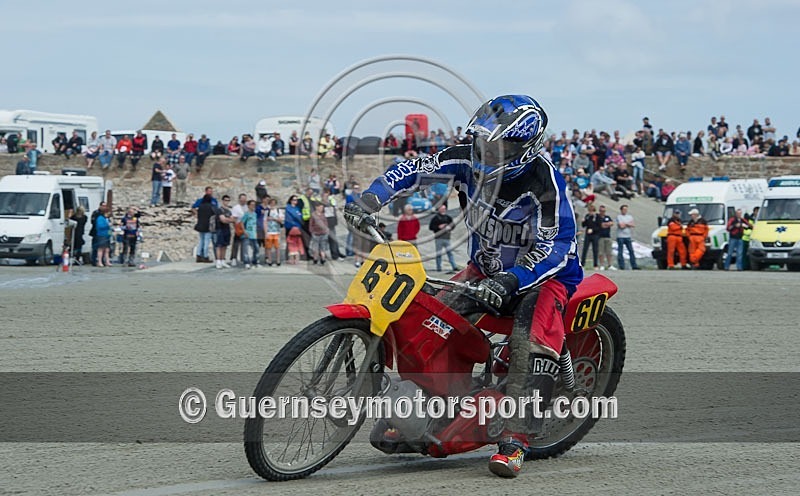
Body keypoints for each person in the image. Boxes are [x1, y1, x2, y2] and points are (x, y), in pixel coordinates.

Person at [344, 95, 582, 478]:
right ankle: (439, 411)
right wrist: (372, 198)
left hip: (542, 278)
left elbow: (557, 246)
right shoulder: (464, 158)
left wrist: (512, 279)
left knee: (531, 343)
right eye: (482, 141)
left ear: (524, 148)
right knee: (430, 324)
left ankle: (515, 440)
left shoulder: (544, 182)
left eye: (498, 146)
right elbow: (414, 169)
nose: (485, 151)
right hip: (482, 270)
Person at [429, 204, 459, 272]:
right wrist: (438, 227)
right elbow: (431, 227)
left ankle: (454, 266)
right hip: (438, 238)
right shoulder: (435, 218)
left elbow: (453, 225)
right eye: (442, 209)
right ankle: (439, 267)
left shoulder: (448, 218)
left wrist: (449, 227)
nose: (443, 210)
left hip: (447, 238)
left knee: (450, 253)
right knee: (439, 254)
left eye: (444, 208)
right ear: (439, 209)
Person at [214, 195, 235, 269]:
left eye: (228, 200)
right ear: (223, 201)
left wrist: (228, 219)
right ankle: (218, 261)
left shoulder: (229, 210)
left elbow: (233, 219)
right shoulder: (219, 210)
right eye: (225, 200)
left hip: (227, 229)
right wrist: (228, 220)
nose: (227, 202)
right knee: (219, 245)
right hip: (220, 229)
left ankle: (223, 260)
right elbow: (223, 220)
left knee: (225, 245)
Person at [194, 194, 216, 263]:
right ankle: (205, 256)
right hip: (208, 226)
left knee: (201, 241)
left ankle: (198, 255)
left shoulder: (200, 206)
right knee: (207, 241)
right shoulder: (211, 207)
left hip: (200, 225)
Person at [616, 204, 639, 270]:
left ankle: (634, 265)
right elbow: (621, 226)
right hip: (620, 236)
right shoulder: (619, 217)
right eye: (624, 209)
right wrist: (628, 224)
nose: (625, 211)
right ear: (621, 210)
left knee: (631, 251)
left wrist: (625, 224)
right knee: (620, 251)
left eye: (626, 209)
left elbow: (633, 225)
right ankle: (622, 266)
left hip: (628, 236)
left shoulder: (630, 217)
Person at [581, 204, 601, 269]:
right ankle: (582, 264)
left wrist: (593, 230)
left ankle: (595, 265)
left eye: (592, 211)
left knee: (595, 250)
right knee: (585, 249)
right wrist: (583, 221)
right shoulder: (587, 216)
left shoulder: (597, 217)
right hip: (588, 235)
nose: (590, 212)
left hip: (595, 235)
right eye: (589, 211)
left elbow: (599, 226)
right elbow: (584, 225)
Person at [264, 198, 283, 266]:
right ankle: (270, 260)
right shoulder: (267, 212)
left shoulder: (279, 211)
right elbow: (265, 222)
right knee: (269, 247)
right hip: (269, 231)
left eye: (274, 203)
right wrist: (266, 232)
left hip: (277, 231)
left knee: (277, 247)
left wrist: (273, 219)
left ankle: (278, 260)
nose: (272, 205)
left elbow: (281, 220)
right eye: (271, 203)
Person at [240, 200, 258, 269]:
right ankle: (246, 262)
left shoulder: (255, 214)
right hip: (247, 233)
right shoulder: (246, 214)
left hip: (254, 234)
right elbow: (241, 223)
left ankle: (254, 261)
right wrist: (244, 231)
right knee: (246, 249)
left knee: (256, 249)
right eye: (252, 205)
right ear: (248, 206)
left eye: (254, 205)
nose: (253, 206)